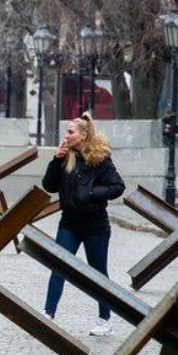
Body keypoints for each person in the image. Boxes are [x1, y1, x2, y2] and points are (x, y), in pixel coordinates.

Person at [41, 112, 126, 336]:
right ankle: (48, 313)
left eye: (70, 132)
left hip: (95, 224)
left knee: (98, 273)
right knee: (58, 265)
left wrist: (91, 192)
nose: (66, 136)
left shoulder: (100, 159)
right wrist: (56, 159)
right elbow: (48, 186)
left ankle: (105, 319)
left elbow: (118, 187)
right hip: (69, 222)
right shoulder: (65, 157)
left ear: (83, 135)